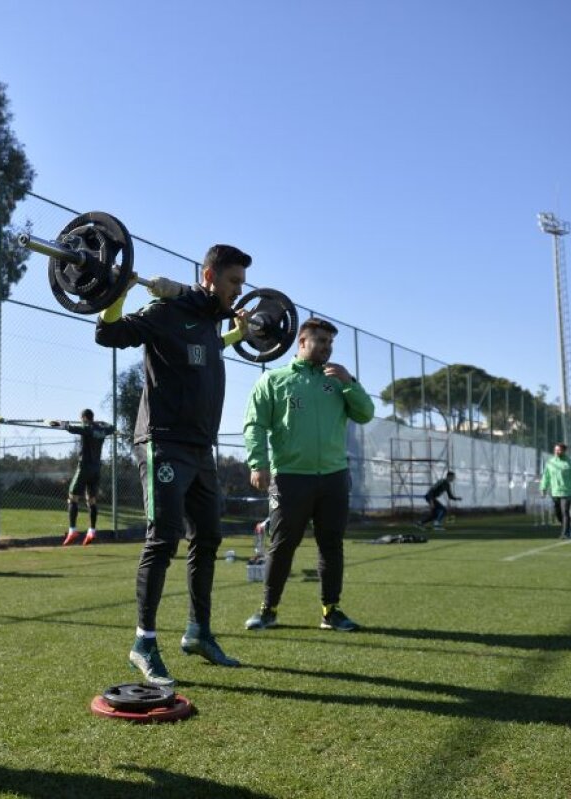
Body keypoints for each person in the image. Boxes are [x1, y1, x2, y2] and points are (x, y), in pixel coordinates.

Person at [94, 245, 252, 686]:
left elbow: (207, 347)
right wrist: (118, 293)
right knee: (162, 540)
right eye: (233, 282)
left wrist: (239, 334)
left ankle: (198, 631)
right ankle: (143, 642)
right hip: (162, 443)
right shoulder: (166, 311)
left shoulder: (207, 319)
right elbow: (108, 334)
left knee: (208, 538)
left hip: (202, 449)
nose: (239, 291)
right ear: (209, 276)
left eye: (242, 284)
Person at [241, 317, 374, 633]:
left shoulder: (337, 381)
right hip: (289, 477)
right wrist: (257, 463)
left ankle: (331, 611)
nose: (327, 348)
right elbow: (255, 425)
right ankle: (268, 610)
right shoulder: (274, 380)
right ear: (302, 342)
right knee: (282, 545)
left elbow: (365, 413)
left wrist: (349, 381)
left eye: (330, 343)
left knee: (332, 545)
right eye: (321, 341)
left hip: (334, 477)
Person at [49, 409, 115, 546]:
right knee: (91, 500)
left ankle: (72, 530)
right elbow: (112, 427)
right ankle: (92, 530)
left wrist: (53, 423)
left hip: (84, 468)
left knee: (72, 497)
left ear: (84, 418)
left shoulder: (86, 428)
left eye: (81, 418)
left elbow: (69, 428)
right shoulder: (102, 430)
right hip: (96, 470)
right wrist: (101, 423)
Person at [539, 442, 571, 540]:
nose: (557, 452)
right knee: (558, 513)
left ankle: (565, 533)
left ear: (564, 451)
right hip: (554, 492)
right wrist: (543, 488)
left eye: (559, 450)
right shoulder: (550, 463)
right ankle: (568, 528)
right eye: (556, 450)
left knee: (565, 511)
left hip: (568, 491)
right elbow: (546, 477)